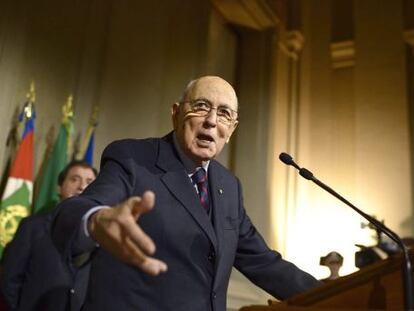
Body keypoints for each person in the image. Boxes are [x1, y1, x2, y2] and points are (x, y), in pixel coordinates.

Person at [52, 76, 321, 311]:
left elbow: (264, 263)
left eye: (225, 114)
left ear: (232, 130)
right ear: (176, 113)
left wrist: (331, 295)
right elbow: (77, 209)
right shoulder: (134, 158)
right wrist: (96, 220)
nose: (212, 121)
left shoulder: (228, 186)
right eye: (201, 107)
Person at [1, 160, 97, 311]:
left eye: (89, 182)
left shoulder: (101, 234)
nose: (82, 187)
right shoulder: (32, 226)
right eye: (74, 179)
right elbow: (9, 280)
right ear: (59, 187)